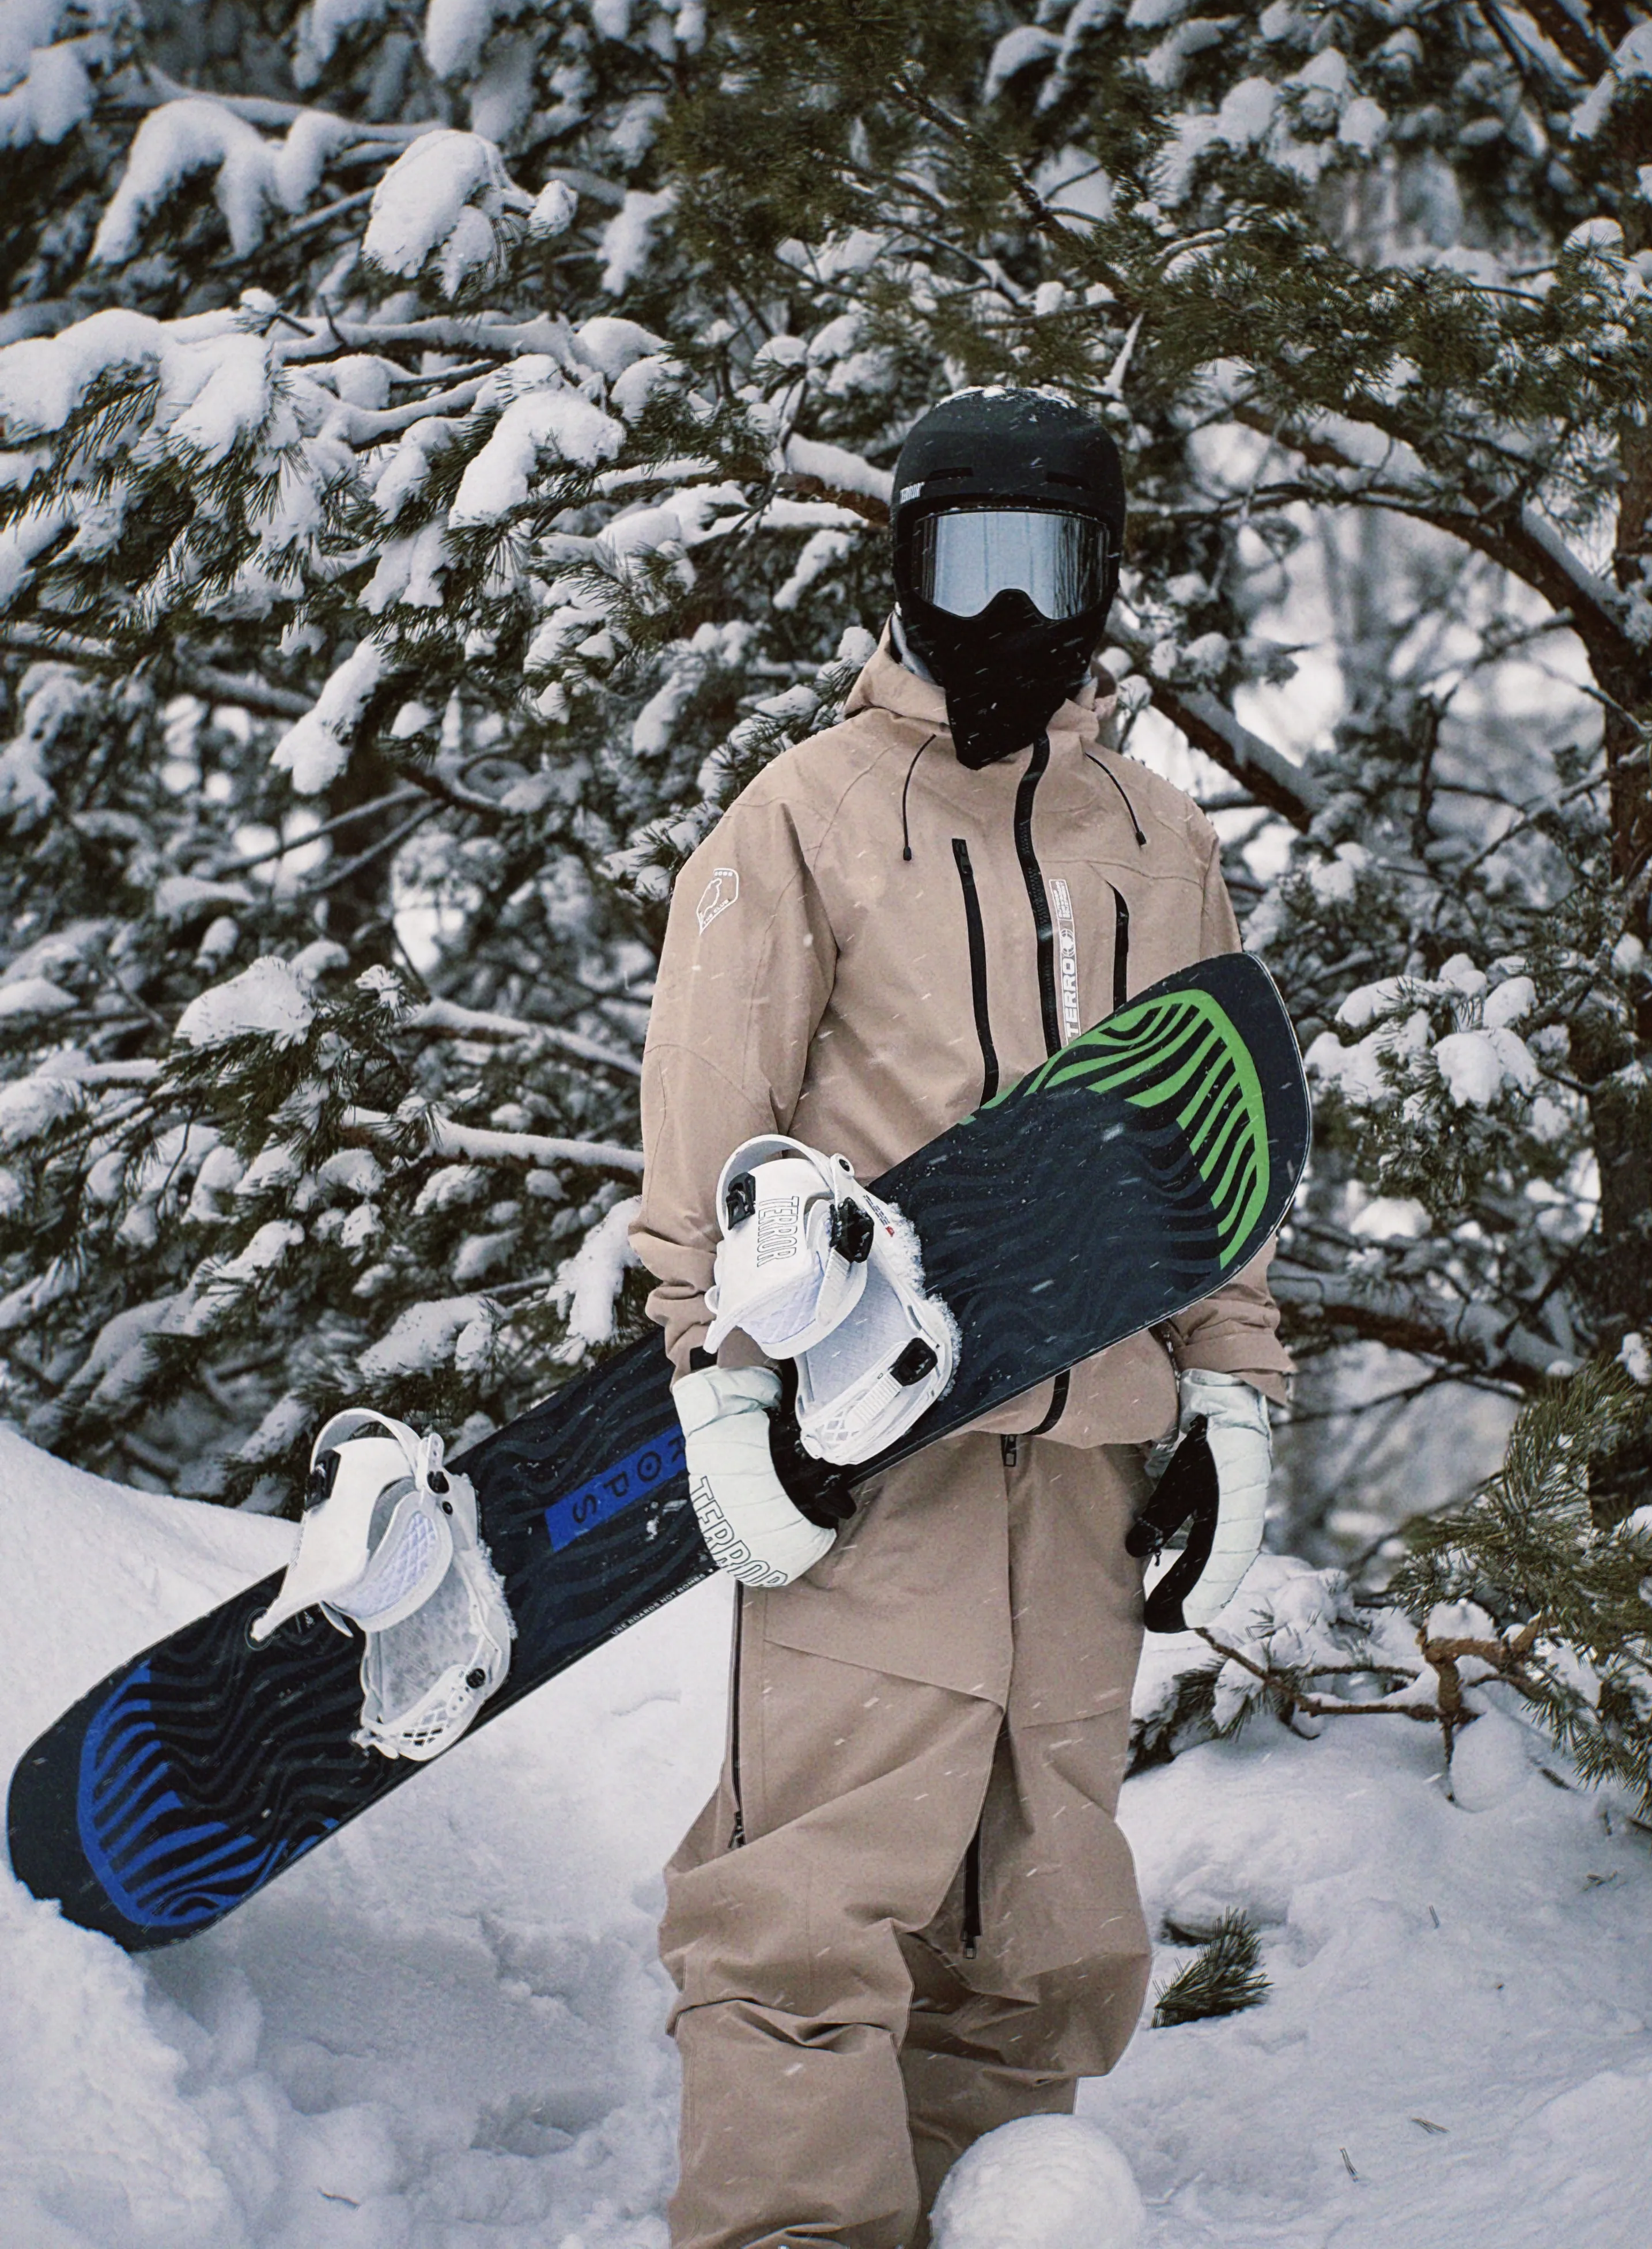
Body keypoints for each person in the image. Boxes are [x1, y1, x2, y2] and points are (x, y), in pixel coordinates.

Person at [630, 386, 1291, 2249]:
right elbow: (709, 1120)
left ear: (1101, 580)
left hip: (1086, 1455)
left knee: (1050, 1909)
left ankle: (983, 2207)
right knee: (814, 1903)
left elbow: (1210, 1138)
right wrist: (715, 1387)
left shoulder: (1157, 838)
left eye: (1044, 569)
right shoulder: (808, 816)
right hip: (869, 1452)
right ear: (903, 571)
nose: (1002, 620)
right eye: (963, 567)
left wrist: (1230, 1398)